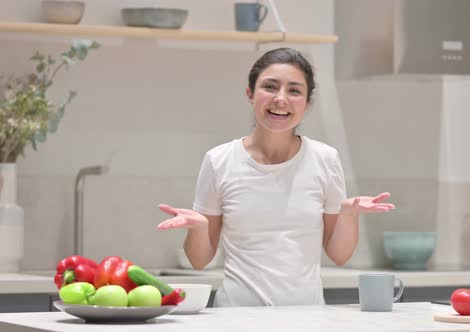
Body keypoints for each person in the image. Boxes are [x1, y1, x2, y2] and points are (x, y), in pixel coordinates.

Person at [157, 48, 395, 307]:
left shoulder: (325, 159)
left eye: (294, 91)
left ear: (307, 102)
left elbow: (339, 256)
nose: (281, 99)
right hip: (236, 319)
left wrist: (349, 214)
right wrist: (199, 228)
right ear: (250, 94)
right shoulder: (219, 160)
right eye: (270, 87)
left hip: (307, 318)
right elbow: (199, 260)